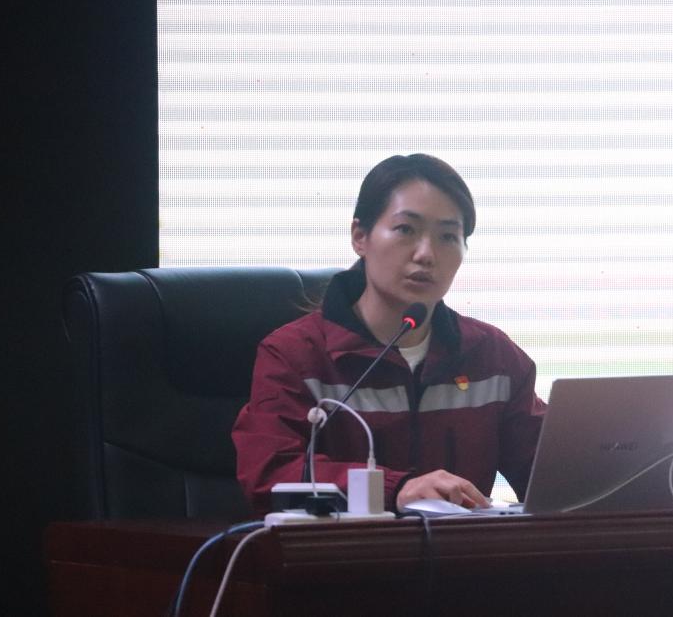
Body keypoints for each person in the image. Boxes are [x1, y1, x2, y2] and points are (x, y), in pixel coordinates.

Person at [232, 153, 547, 513]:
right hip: (347, 548)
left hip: (463, 548)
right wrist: (395, 489)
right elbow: (270, 472)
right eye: (406, 230)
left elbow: (551, 473)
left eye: (448, 236)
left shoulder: (493, 357)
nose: (426, 254)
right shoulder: (296, 355)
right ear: (360, 237)